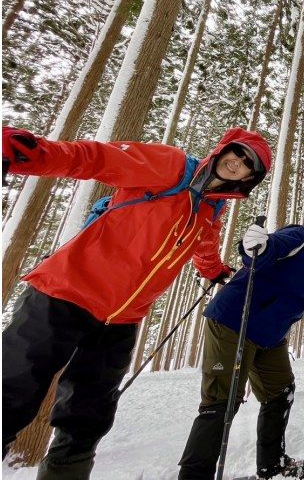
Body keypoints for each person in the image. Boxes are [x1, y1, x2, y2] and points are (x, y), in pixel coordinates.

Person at [1, 126, 271, 479]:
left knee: (89, 415)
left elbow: (204, 246)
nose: (237, 162)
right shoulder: (170, 165)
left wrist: (215, 271)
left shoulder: (212, 209)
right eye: (236, 152)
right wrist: (35, 155)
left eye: (248, 163)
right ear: (222, 150)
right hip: (66, 291)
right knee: (13, 389)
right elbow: (98, 158)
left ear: (250, 178)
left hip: (122, 319)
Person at [178, 212, 304, 480]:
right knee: (222, 400)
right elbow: (267, 249)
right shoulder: (300, 237)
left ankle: (272, 465)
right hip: (234, 321)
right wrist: (256, 246)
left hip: (270, 337)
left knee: (280, 392)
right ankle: (194, 475)